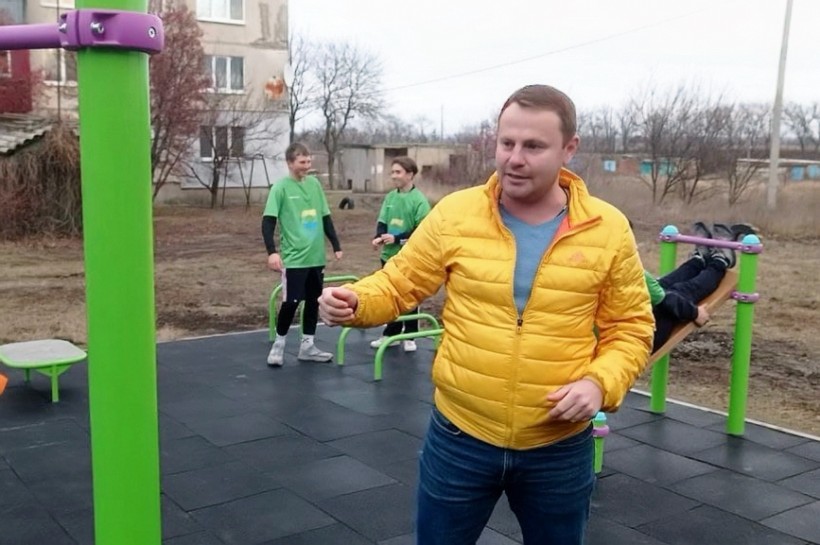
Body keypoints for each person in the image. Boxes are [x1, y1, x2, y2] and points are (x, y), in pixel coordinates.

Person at [318, 84, 654, 545]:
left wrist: (599, 383)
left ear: (568, 149)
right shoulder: (456, 214)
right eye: (506, 142)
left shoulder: (607, 229)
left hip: (557, 447)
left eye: (533, 146)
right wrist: (356, 300)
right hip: (460, 437)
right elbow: (397, 283)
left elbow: (631, 328)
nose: (514, 158)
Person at [262, 142, 343, 367]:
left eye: (308, 161)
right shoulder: (280, 188)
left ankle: (307, 346)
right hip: (294, 258)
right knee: (291, 302)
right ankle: (278, 345)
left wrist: (335, 244)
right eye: (302, 162)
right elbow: (268, 221)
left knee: (314, 302)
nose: (306, 166)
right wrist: (271, 252)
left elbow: (325, 217)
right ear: (290, 163)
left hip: (315, 257)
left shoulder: (315, 185)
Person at [369, 156, 431, 352]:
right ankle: (391, 333)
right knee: (390, 295)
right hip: (389, 257)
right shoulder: (390, 197)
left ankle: (410, 335)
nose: (394, 176)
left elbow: (422, 232)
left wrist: (396, 239)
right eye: (393, 172)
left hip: (410, 258)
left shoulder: (419, 200)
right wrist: (379, 237)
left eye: (398, 172)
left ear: (410, 174)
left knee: (409, 295)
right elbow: (382, 222)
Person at [647, 222, 738, 351]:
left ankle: (698, 260)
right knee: (679, 293)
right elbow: (663, 298)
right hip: (641, 339)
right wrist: (695, 313)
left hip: (634, 323)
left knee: (660, 285)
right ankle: (721, 261)